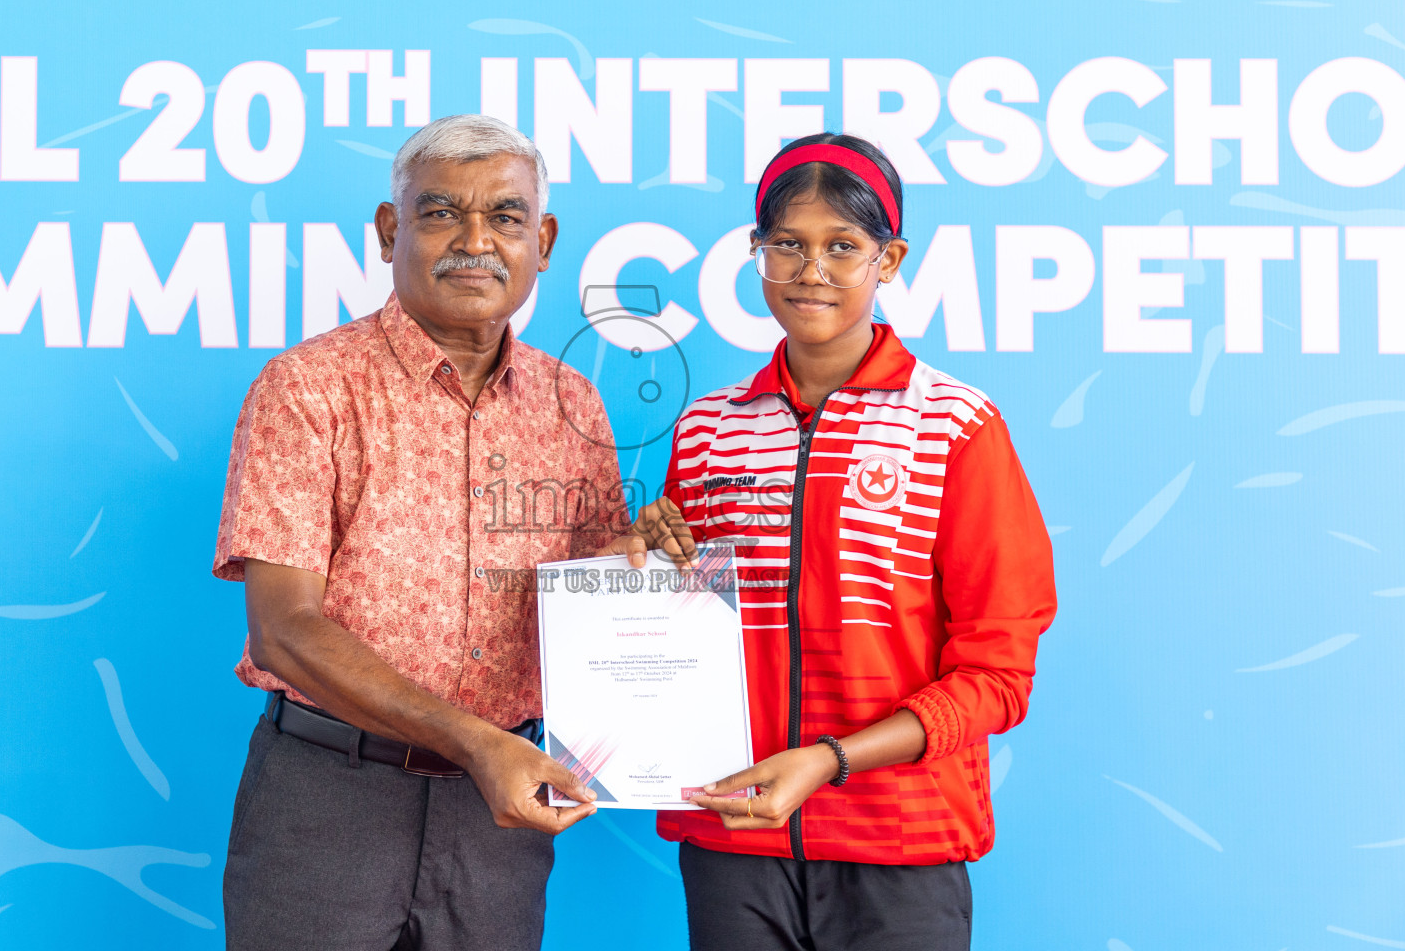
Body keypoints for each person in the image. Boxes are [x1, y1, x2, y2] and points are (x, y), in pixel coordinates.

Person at [210, 114, 688, 951]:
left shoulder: (573, 402)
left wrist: (634, 569)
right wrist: (474, 744)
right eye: (441, 214)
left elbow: (586, 609)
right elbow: (284, 631)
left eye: (505, 217)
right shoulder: (306, 389)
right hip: (327, 799)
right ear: (392, 230)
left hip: (498, 823)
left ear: (541, 241)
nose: (476, 241)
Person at [658, 134, 1058, 950]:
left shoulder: (954, 426)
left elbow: (998, 674)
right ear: (756, 253)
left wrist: (830, 760)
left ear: (890, 258)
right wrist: (639, 551)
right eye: (789, 245)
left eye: (844, 246)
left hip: (900, 845)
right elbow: (671, 628)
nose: (813, 270)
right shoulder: (707, 430)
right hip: (734, 837)